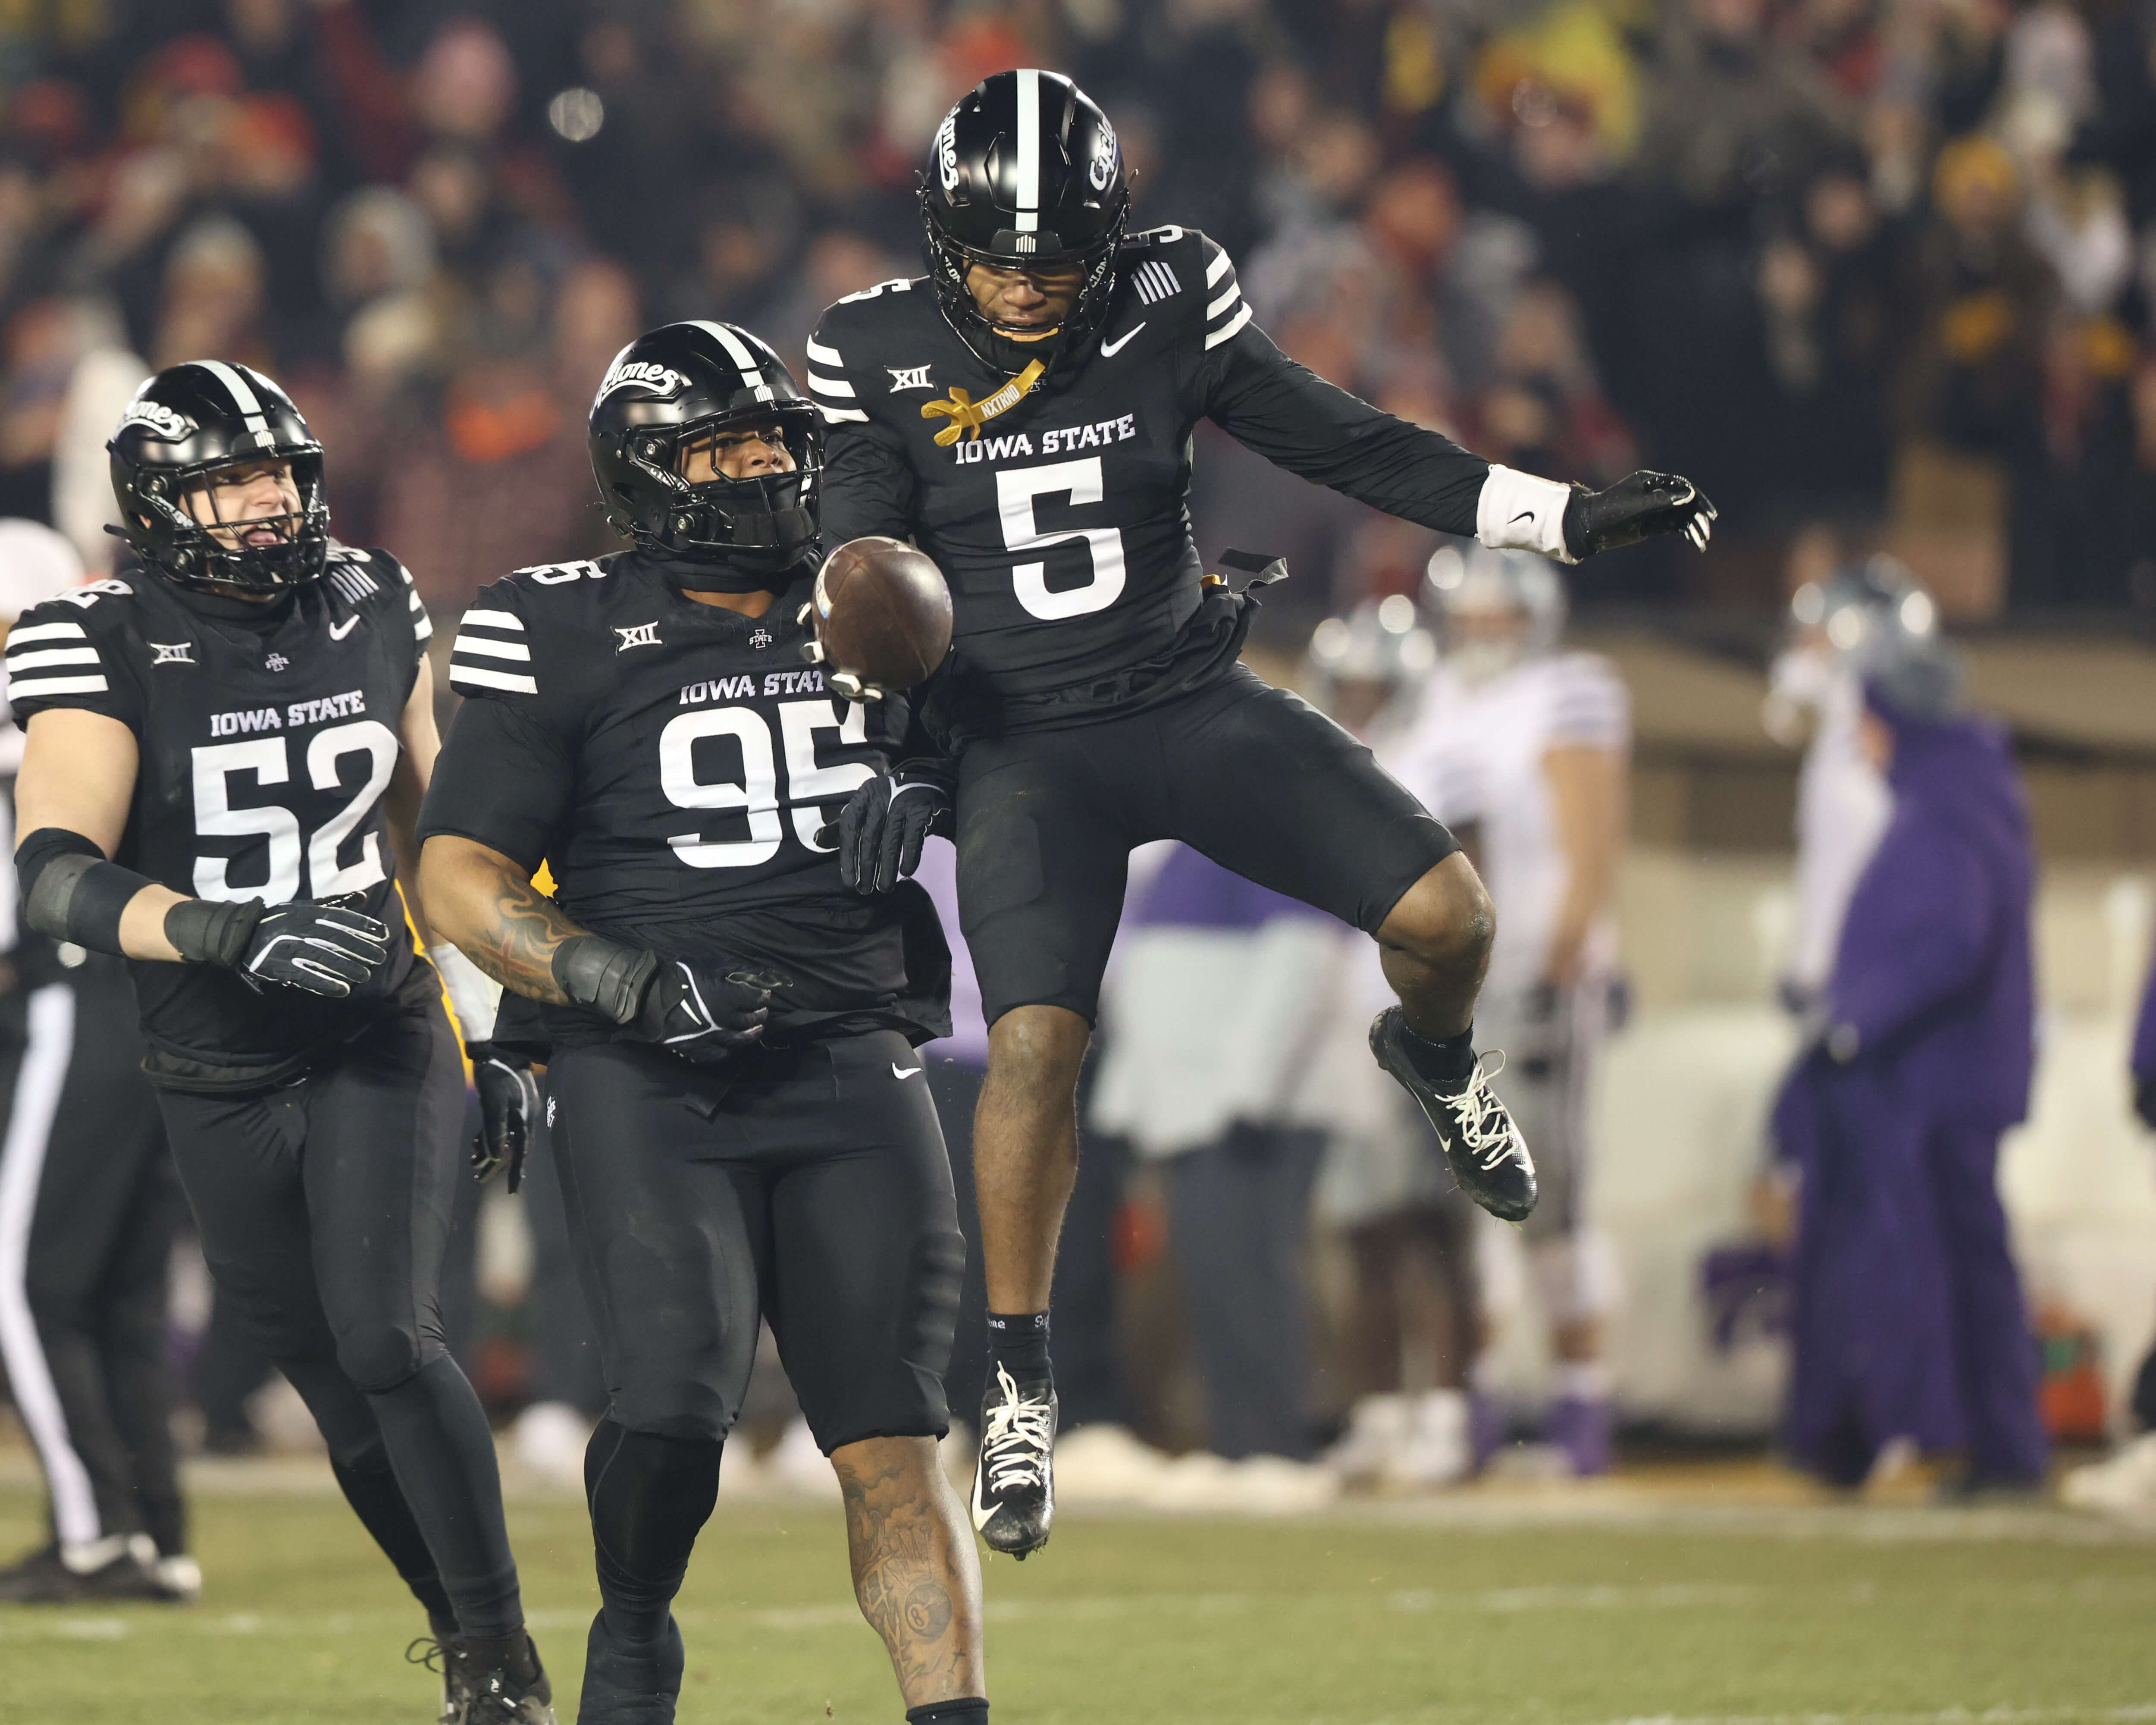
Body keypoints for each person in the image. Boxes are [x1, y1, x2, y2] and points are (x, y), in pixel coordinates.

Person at [808, 66, 1717, 1556]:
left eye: (1057, 263)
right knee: (1034, 1048)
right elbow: (857, 573)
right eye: (1001, 261)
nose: (1031, 292)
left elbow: (1343, 439)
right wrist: (882, 748)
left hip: (1182, 700)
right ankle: (1022, 1385)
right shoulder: (871, 348)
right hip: (1025, 744)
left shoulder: (1174, 294)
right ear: (941, 237)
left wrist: (1554, 512)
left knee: (1448, 918)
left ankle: (1427, 1053)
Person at [416, 321, 986, 1725]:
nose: (759, 468)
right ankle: (633, 1624)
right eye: (719, 446)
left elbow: (1021, 774)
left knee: (896, 1437)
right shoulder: (552, 621)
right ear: (643, 472)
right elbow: (458, 873)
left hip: (854, 1051)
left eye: (773, 440)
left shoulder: (872, 593)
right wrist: (620, 981)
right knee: (674, 1409)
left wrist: (946, 782)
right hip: (650, 1073)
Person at [6, 363, 552, 1720]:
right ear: (155, 502)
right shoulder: (99, 635)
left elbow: (442, 830)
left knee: (389, 1335)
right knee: (328, 1378)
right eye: (224, 483)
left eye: (277, 476)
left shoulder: (371, 597)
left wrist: (488, 1023)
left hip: (374, 1020)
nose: (262, 505)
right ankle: (462, 1632)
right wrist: (228, 935)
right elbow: (55, 871)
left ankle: (504, 1658)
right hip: (209, 1059)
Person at [1771, 619, 2046, 1492]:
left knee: (1953, 1269)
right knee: (1971, 1265)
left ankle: (1984, 1445)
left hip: (1934, 1082)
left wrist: (1857, 1019)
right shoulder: (1971, 793)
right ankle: (1990, 1445)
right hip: (1953, 1075)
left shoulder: (1945, 806)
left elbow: (1948, 937)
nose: (1861, 736)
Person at [1391, 548, 1631, 1476]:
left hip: (1534, 971)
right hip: (1454, 983)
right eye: (1474, 616)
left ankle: (1582, 1401)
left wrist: (1563, 957)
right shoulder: (1438, 693)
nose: (1485, 633)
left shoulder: (1568, 689)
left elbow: (1592, 845)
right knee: (1465, 1197)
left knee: (1554, 1188)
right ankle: (1481, 1396)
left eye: (1502, 616)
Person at [0, 519, 194, 1604]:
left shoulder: (44, 730)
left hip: (72, 993)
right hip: (152, 996)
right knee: (116, 1286)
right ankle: (154, 1531)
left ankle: (96, 1533)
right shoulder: (130, 701)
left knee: (24, 1285)